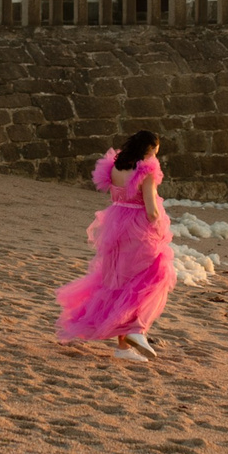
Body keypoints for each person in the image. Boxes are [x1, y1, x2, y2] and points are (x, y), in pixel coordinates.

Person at [55, 129, 175, 362]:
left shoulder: (114, 166)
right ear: (148, 150)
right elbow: (151, 209)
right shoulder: (146, 172)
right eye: (155, 152)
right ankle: (135, 329)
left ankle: (124, 346)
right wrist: (160, 226)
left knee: (120, 282)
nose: (155, 158)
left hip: (115, 225)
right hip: (139, 229)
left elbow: (116, 198)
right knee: (152, 277)